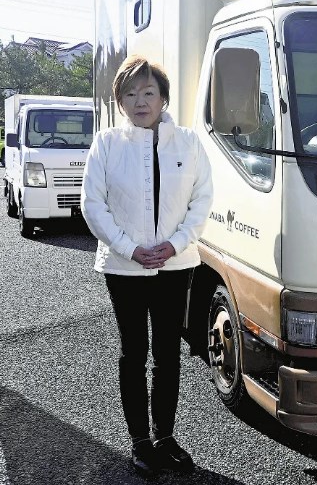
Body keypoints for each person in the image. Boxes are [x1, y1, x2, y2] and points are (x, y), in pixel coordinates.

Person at [81, 55, 213, 478]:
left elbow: (202, 201)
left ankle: (166, 437)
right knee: (133, 353)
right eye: (130, 94)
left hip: (177, 265)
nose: (140, 101)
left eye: (148, 91)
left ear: (163, 97)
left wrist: (174, 245)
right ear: (120, 101)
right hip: (124, 267)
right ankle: (140, 441)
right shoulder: (106, 143)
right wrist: (130, 249)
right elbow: (92, 204)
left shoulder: (189, 142)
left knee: (168, 356)